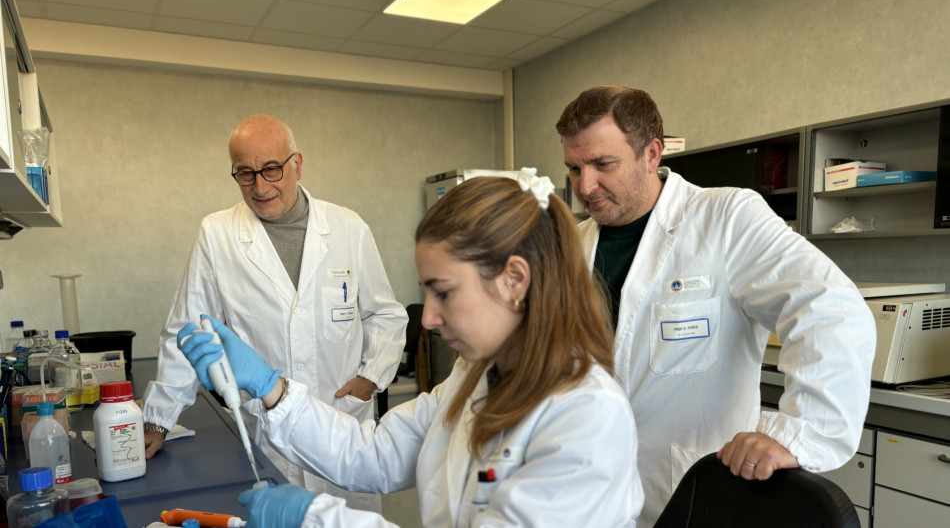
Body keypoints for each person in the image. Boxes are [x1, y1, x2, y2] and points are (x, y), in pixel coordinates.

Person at [178, 173, 643, 527]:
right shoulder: (474, 378)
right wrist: (272, 388)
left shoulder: (586, 416)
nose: (429, 319)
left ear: (514, 280)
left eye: (444, 292)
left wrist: (317, 518)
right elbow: (374, 454)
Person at [556, 86, 875, 526]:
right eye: (574, 168)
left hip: (689, 494)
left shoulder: (725, 219)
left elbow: (830, 306)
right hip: (588, 493)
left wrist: (798, 433)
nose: (584, 186)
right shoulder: (570, 244)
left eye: (602, 165)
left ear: (651, 154)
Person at [142, 115, 408, 513]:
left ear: (297, 164)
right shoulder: (218, 233)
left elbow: (385, 314)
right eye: (245, 173)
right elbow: (189, 329)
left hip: (341, 417)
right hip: (266, 429)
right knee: (275, 514)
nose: (260, 187)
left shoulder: (348, 229)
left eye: (271, 169)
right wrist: (158, 419)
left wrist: (372, 377)